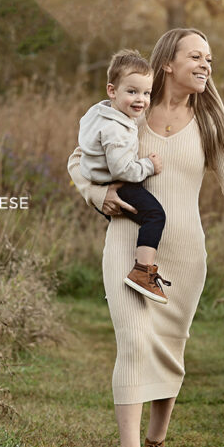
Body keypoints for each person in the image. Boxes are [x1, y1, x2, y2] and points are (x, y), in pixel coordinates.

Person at [67, 28, 224, 447]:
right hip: (127, 244)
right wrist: (99, 193)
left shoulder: (209, 122)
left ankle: (156, 444)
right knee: (133, 340)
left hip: (186, 252)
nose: (206, 65)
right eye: (196, 56)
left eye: (209, 58)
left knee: (170, 347)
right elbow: (79, 160)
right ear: (168, 62)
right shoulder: (132, 107)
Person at [77, 49, 171, 303]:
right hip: (117, 185)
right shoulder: (115, 130)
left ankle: (118, 288)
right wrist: (148, 166)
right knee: (154, 215)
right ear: (112, 91)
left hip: (102, 181)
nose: (140, 99)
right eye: (132, 92)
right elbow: (122, 169)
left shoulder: (100, 113)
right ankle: (143, 273)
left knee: (127, 234)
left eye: (146, 93)